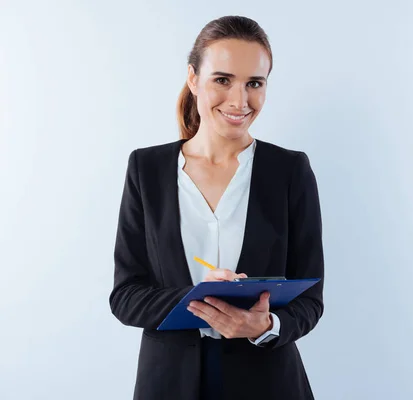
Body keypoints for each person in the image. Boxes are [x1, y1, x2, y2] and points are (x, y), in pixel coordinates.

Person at [109, 15, 324, 400]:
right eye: (222, 80)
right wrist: (198, 298)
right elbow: (125, 296)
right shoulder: (147, 169)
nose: (240, 101)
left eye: (254, 83)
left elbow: (311, 297)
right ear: (193, 79)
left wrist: (265, 325)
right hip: (168, 384)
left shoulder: (289, 170)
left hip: (269, 384)